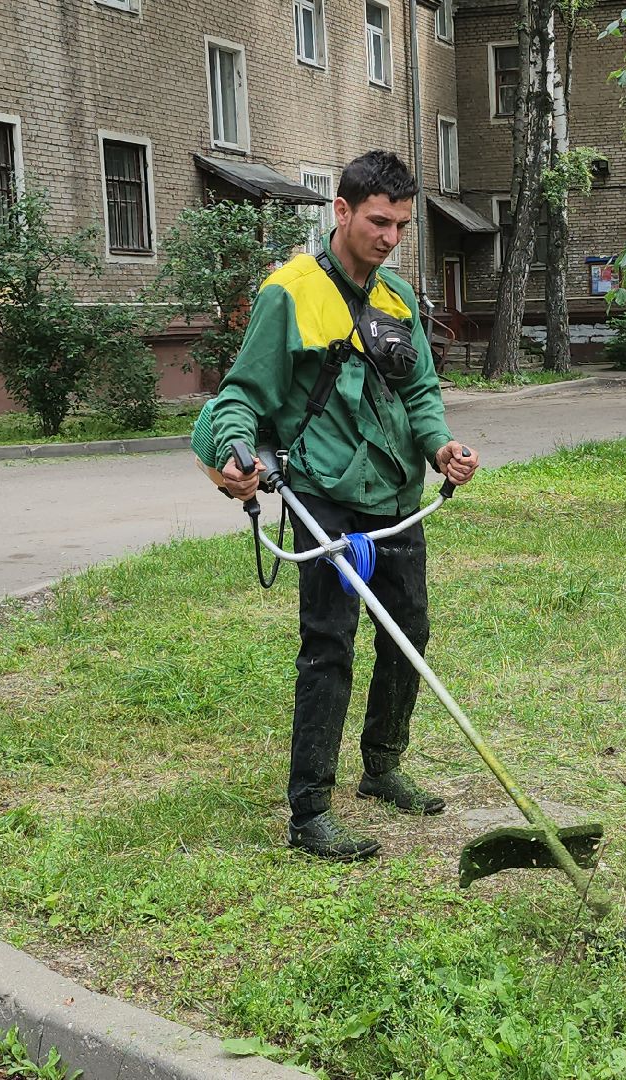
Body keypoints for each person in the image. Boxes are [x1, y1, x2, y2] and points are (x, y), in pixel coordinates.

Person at [191, 150, 480, 861]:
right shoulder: (287, 293)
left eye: (402, 225)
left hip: (395, 496)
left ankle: (383, 768)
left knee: (407, 634)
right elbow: (241, 397)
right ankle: (310, 810)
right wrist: (236, 453)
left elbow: (419, 393)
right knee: (329, 644)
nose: (389, 237)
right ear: (342, 212)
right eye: (379, 221)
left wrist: (441, 448)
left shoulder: (399, 300)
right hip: (324, 499)